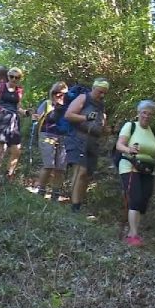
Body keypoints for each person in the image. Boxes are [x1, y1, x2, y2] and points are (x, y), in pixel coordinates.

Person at [115, 100, 155, 246]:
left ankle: (131, 232)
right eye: (144, 113)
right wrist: (130, 150)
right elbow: (119, 145)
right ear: (138, 113)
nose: (147, 116)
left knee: (143, 201)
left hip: (148, 169)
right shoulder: (130, 126)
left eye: (150, 114)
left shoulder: (153, 131)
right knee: (135, 198)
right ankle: (133, 235)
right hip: (130, 165)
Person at [64, 78, 110, 212]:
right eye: (100, 92)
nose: (102, 95)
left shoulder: (101, 105)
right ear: (94, 88)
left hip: (93, 141)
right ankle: (74, 205)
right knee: (81, 171)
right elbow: (69, 115)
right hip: (78, 137)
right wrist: (85, 118)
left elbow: (101, 122)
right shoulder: (83, 98)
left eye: (104, 93)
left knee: (88, 174)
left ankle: (78, 203)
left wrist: (106, 129)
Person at [0, 67, 30, 178]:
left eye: (17, 77)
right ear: (8, 77)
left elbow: (18, 107)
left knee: (16, 150)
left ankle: (8, 176)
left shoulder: (19, 91)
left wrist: (26, 112)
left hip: (14, 120)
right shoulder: (0, 88)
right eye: (12, 76)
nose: (14, 79)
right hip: (1, 117)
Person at [34, 82, 70, 201]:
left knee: (60, 168)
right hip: (47, 135)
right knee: (48, 165)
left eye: (62, 93)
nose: (59, 96)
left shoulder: (69, 106)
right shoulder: (47, 104)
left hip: (64, 137)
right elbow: (37, 117)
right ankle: (41, 191)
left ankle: (55, 194)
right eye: (56, 93)